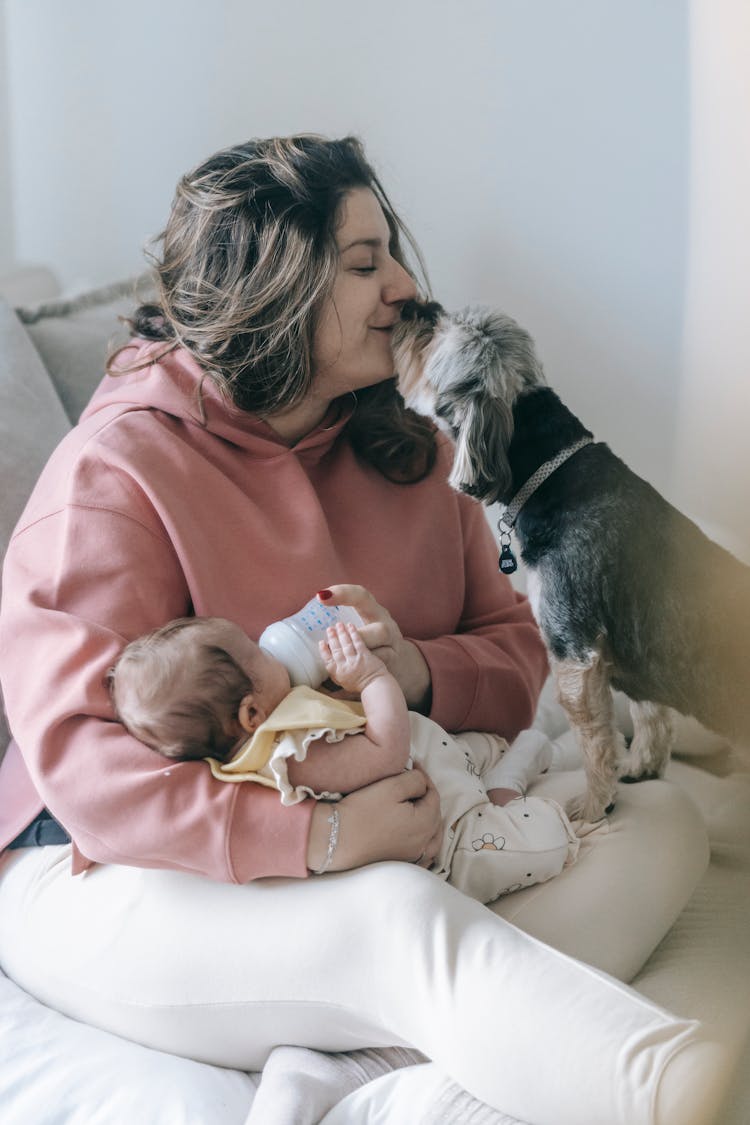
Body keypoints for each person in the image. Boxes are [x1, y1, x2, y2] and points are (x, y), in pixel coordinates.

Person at [0, 134, 719, 1125]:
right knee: (396, 917)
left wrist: (415, 670)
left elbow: (520, 652)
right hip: (94, 867)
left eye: (396, 252)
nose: (406, 286)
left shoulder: (412, 445)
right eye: (365, 261)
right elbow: (87, 770)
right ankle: (686, 1093)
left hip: (396, 831)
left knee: (664, 826)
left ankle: (349, 1074)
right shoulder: (115, 474)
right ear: (270, 286)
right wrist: (323, 834)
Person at [109, 612, 580, 902]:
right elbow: (386, 751)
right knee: (533, 846)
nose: (267, 647)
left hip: (444, 758)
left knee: (486, 749)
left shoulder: (275, 721)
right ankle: (525, 793)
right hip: (448, 826)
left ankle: (521, 763)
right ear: (252, 713)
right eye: (256, 653)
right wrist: (372, 678)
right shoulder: (292, 755)